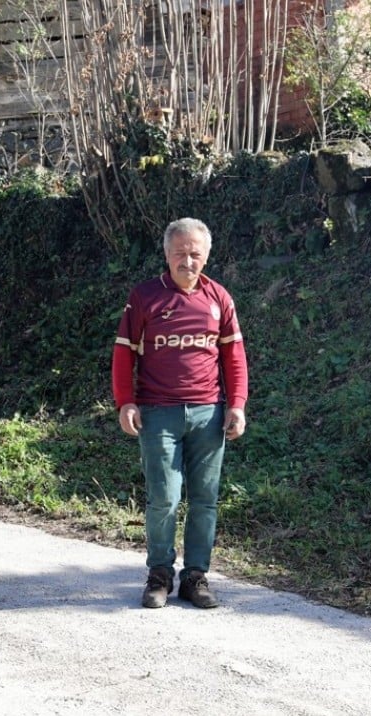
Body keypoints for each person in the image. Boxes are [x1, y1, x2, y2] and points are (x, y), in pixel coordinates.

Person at [111, 217, 248, 610]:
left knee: (205, 499)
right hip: (159, 414)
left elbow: (233, 356)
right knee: (164, 499)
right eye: (180, 254)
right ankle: (159, 576)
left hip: (209, 414)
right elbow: (123, 355)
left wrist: (236, 404)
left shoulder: (219, 297)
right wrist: (126, 402)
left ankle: (195, 577)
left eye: (195, 254)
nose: (187, 261)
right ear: (167, 255)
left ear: (206, 255)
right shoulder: (145, 297)